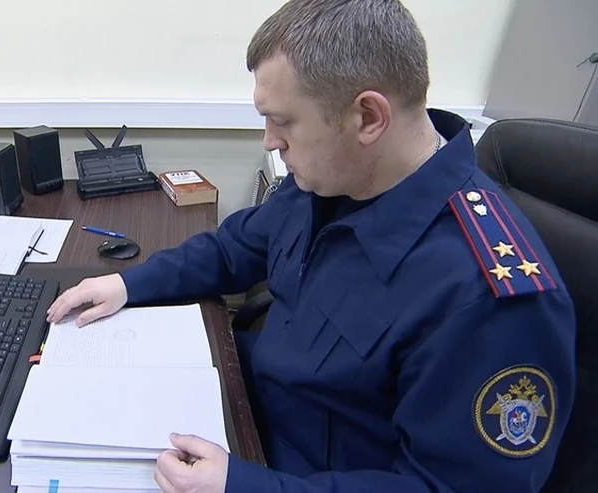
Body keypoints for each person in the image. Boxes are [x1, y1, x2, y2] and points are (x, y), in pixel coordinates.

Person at [46, 0, 577, 491]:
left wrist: (243, 487)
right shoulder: (336, 176)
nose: (269, 141)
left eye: (283, 122)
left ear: (368, 118)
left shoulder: (494, 302)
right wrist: (127, 283)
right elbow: (234, 248)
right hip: (244, 406)